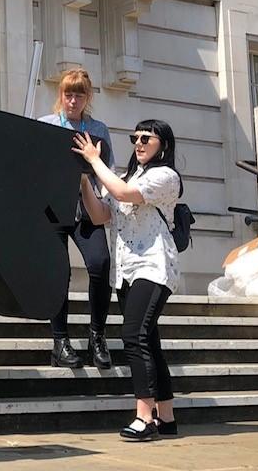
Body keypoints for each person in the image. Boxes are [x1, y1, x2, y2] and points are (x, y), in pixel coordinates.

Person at [73, 120, 183, 442]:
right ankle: (167, 417)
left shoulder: (165, 177)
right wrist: (83, 177)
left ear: (162, 143)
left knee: (133, 335)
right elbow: (99, 215)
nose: (139, 142)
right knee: (149, 340)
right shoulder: (126, 177)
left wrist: (95, 160)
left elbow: (122, 194)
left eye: (146, 137)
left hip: (154, 265)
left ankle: (144, 417)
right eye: (135, 137)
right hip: (125, 271)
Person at [38, 69, 114, 370]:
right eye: (68, 94)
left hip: (86, 207)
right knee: (59, 272)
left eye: (79, 94)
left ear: (88, 97)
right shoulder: (45, 125)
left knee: (100, 264)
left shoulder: (98, 129)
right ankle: (60, 341)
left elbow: (107, 172)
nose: (72, 100)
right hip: (54, 208)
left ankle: (97, 336)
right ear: (60, 95)